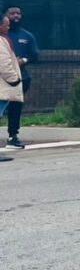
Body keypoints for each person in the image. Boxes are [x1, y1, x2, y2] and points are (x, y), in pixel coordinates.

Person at [4, 5, 38, 150]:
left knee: (15, 108)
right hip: (2, 79)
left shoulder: (27, 36)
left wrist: (23, 60)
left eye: (18, 13)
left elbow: (34, 55)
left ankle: (13, 136)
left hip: (20, 78)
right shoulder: (2, 37)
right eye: (12, 13)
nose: (16, 16)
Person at [0, 13, 25, 162]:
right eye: (6, 24)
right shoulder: (1, 41)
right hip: (3, 87)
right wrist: (14, 80)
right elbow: (4, 64)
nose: (8, 27)